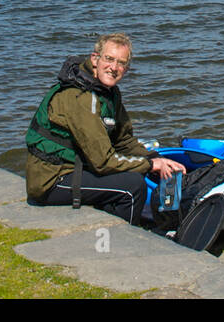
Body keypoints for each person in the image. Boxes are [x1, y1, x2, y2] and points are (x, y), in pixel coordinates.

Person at [25, 33, 185, 225]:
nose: (114, 68)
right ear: (95, 59)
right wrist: (150, 165)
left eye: (121, 63)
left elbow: (123, 140)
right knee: (133, 187)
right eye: (109, 59)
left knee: (146, 168)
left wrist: (155, 159)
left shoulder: (109, 93)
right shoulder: (80, 97)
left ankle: (164, 219)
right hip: (51, 180)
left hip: (79, 167)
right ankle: (120, 242)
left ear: (127, 69)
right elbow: (103, 161)